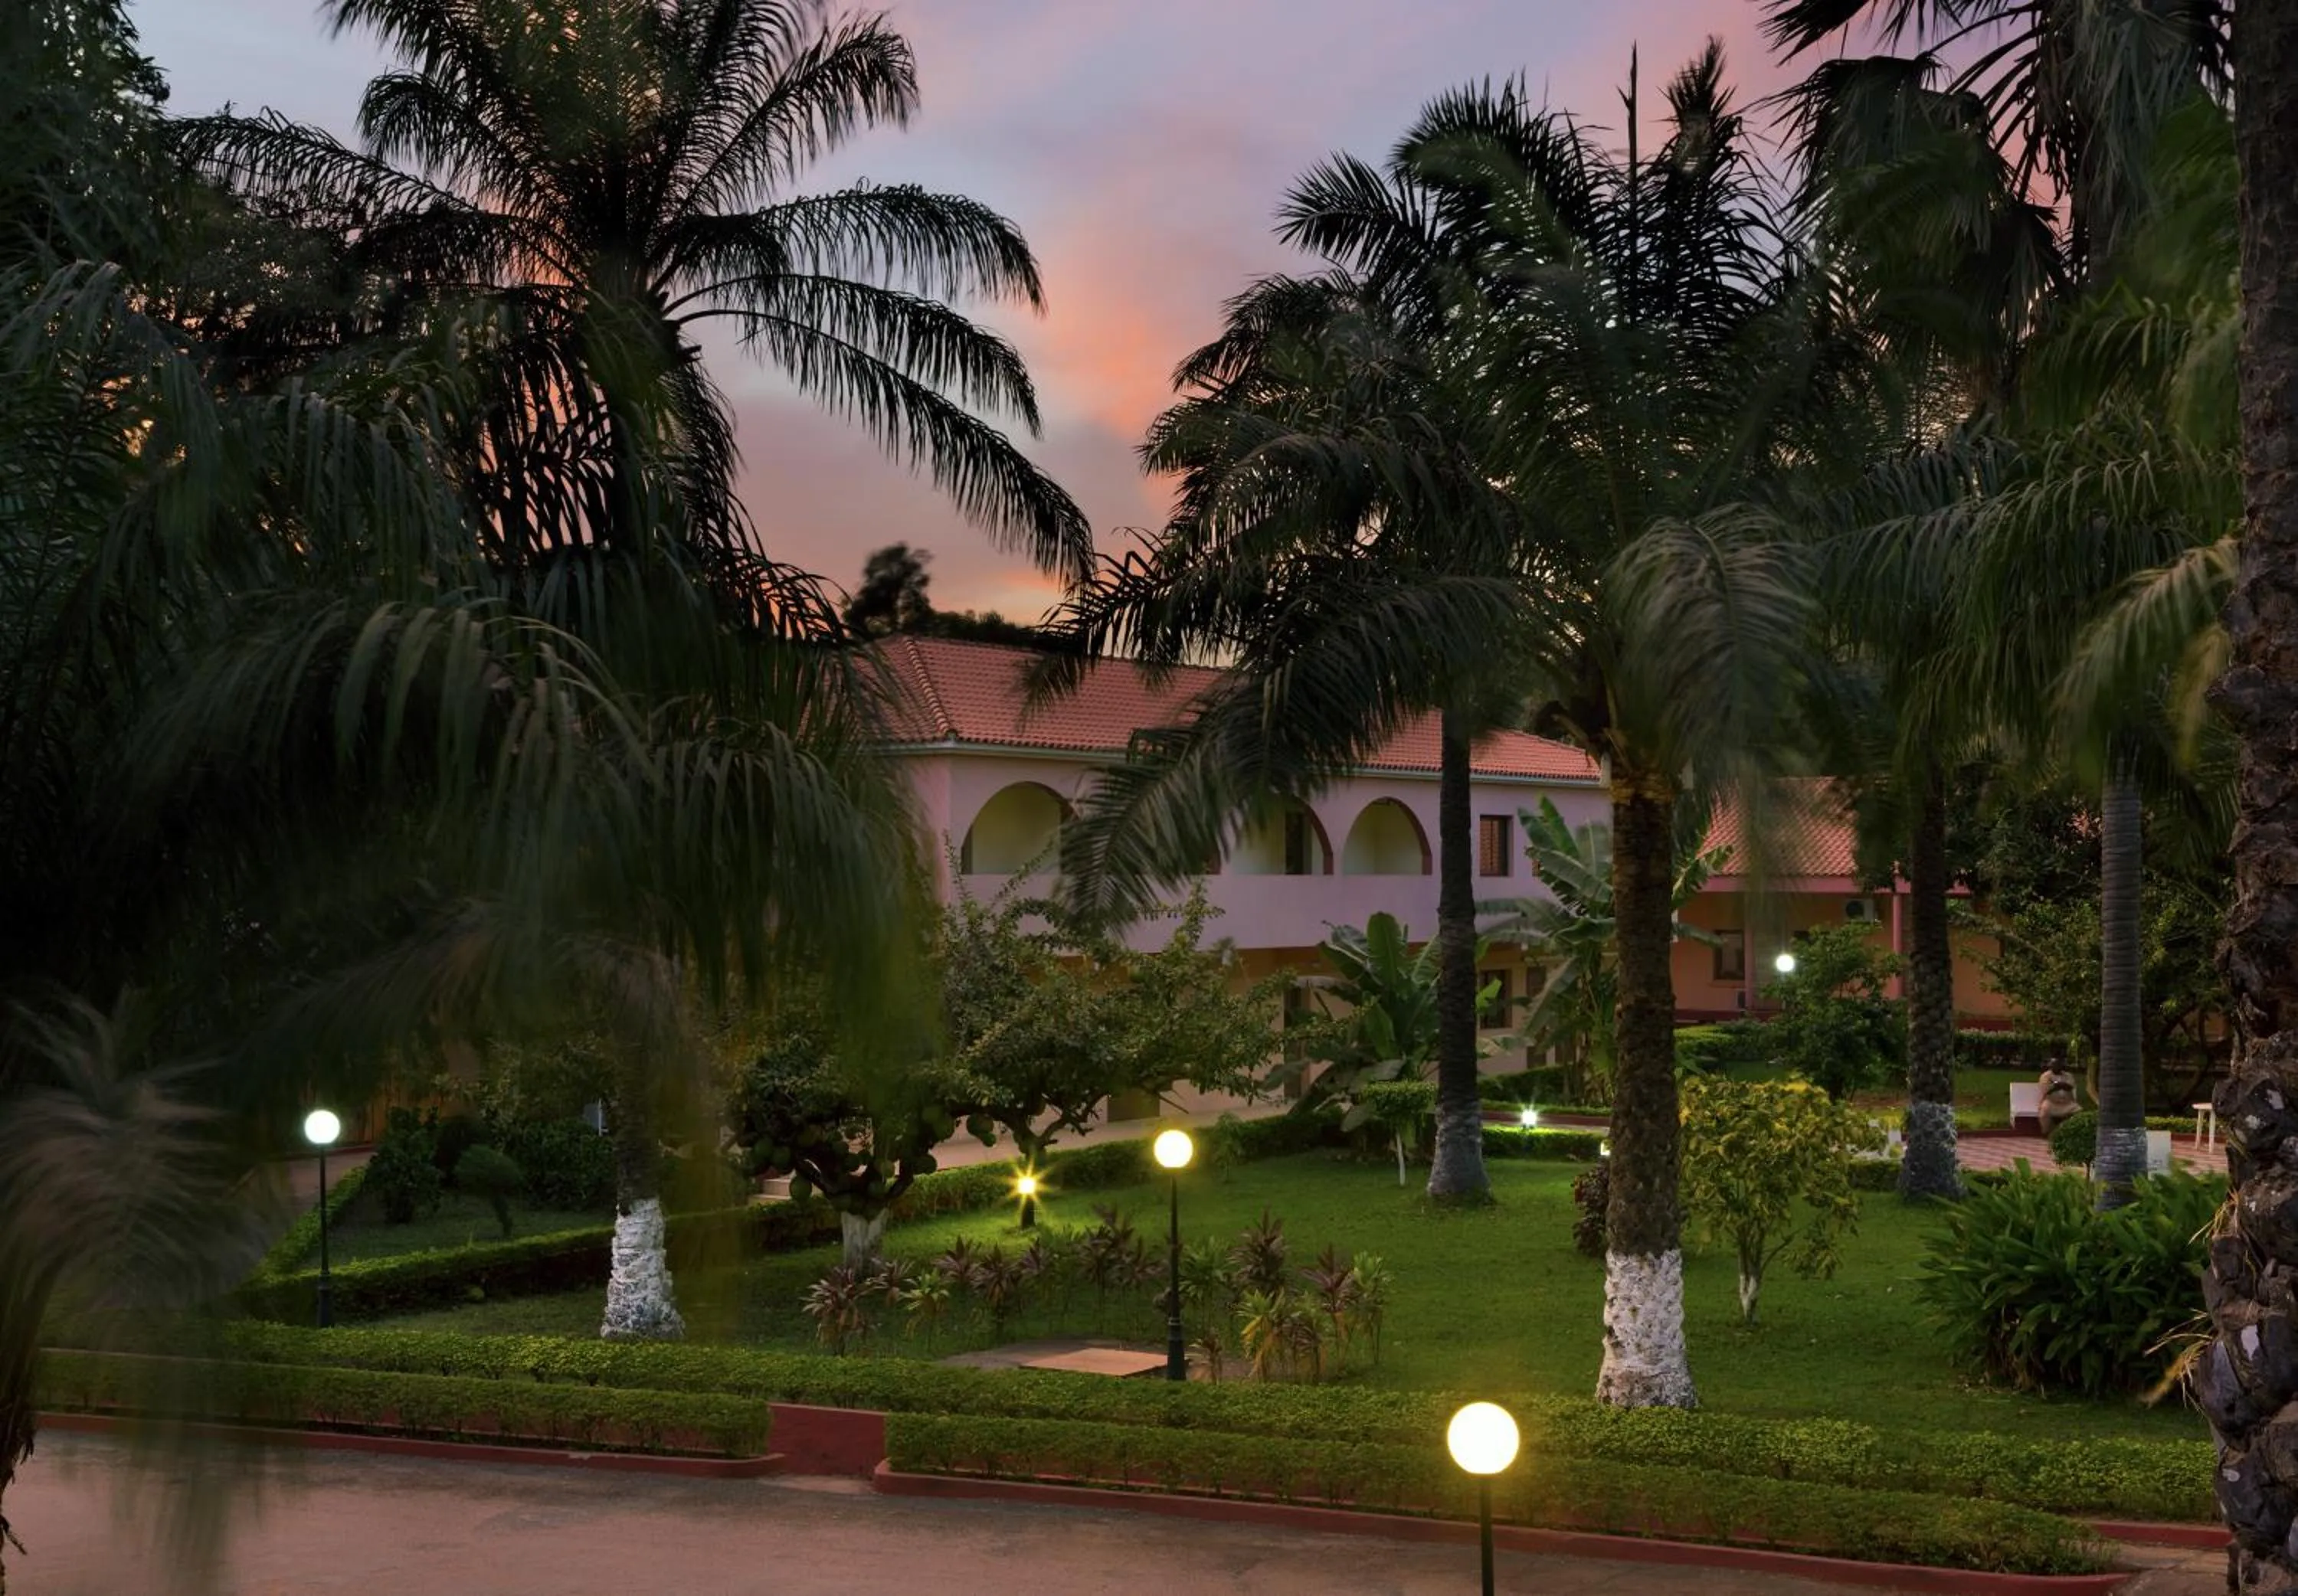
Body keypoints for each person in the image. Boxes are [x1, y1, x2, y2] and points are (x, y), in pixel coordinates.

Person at [2037, 1062, 2084, 1140]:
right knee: (2044, 1111)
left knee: (2079, 1110)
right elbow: (2046, 1090)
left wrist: (2058, 1085)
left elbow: (2070, 1087)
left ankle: (2073, 1131)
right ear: (2051, 1066)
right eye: (2054, 1065)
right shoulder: (2045, 1076)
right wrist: (2060, 1085)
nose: (2057, 1066)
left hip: (2067, 1102)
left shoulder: (2068, 1076)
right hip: (2051, 1102)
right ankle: (2046, 1132)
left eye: (2059, 1064)